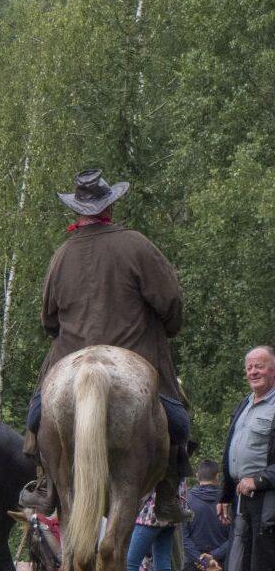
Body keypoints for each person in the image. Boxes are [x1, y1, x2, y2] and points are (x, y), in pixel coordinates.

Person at [21, 169, 190, 523]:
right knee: (177, 419)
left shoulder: (61, 256)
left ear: (76, 211)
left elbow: (48, 321)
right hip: (138, 353)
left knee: (36, 415)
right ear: (110, 207)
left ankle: (46, 484)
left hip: (69, 355)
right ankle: (168, 490)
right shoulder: (137, 245)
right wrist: (168, 328)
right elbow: (170, 301)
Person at [220, 345, 275, 571]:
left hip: (269, 498)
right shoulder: (245, 403)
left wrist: (260, 479)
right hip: (242, 497)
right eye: (250, 367)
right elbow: (231, 449)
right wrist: (224, 494)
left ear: (273, 369)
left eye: (260, 366)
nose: (253, 371)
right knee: (239, 565)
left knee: (264, 566)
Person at [170, 459, 229, 571]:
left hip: (194, 564)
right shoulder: (227, 503)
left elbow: (184, 539)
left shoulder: (186, 499)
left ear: (197, 476)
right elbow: (234, 537)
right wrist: (214, 557)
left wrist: (202, 560)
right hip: (220, 566)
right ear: (217, 477)